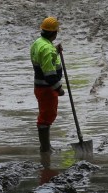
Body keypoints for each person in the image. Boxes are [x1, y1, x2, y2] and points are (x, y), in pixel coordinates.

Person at [30, 17, 65, 154]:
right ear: (54, 33)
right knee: (46, 117)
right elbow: (49, 74)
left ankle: (46, 147)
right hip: (47, 89)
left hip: (40, 87)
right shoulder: (47, 48)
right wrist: (58, 88)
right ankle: (45, 149)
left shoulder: (38, 43)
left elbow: (44, 59)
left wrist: (55, 51)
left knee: (46, 115)